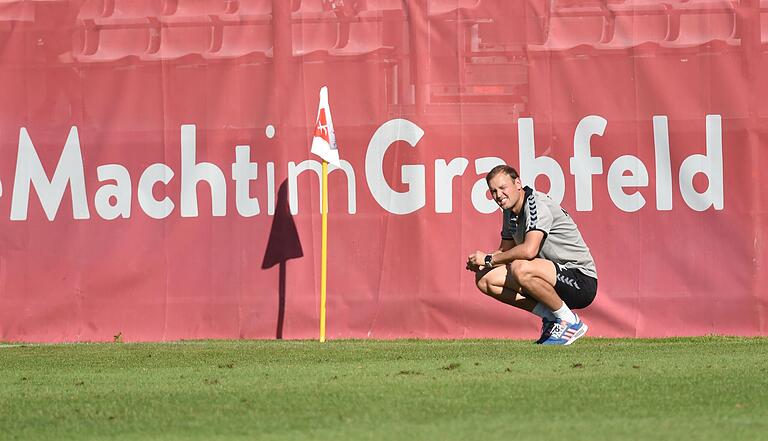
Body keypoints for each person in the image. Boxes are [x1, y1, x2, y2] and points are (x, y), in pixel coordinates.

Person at [466, 165, 597, 345]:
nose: (498, 195)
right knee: (484, 279)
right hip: (548, 278)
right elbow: (504, 251)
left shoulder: (536, 205)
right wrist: (483, 264)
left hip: (580, 280)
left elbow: (529, 251)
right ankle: (551, 318)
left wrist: (488, 259)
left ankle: (570, 322)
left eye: (503, 188)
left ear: (517, 183)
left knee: (520, 267)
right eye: (493, 191)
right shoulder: (509, 211)